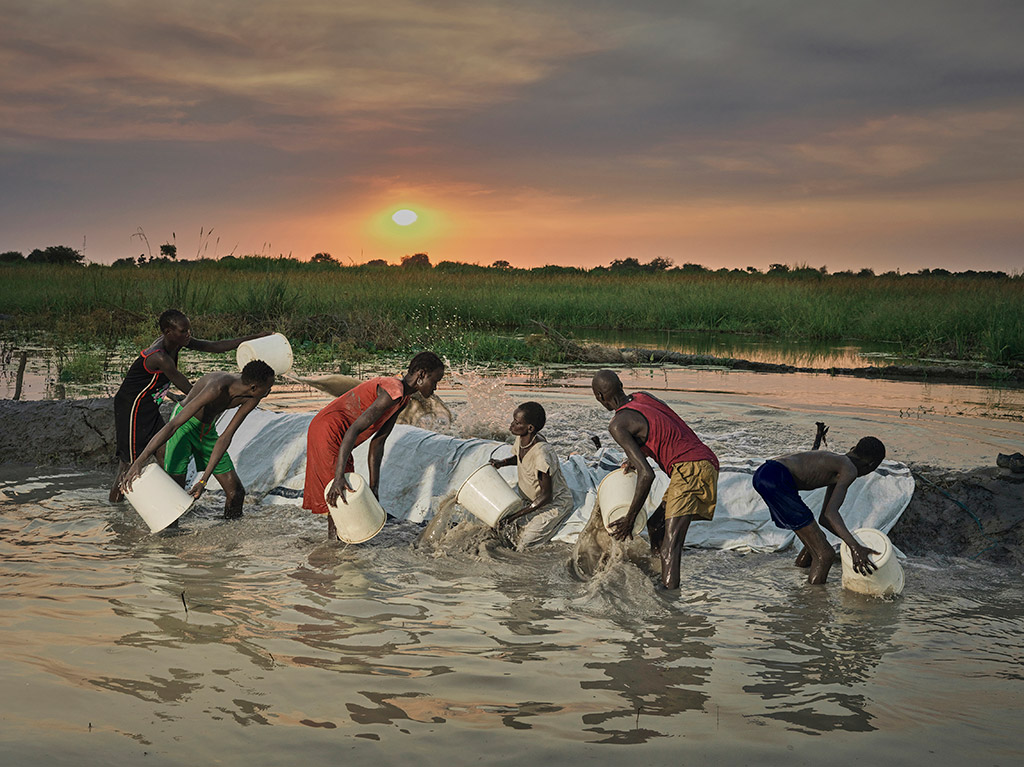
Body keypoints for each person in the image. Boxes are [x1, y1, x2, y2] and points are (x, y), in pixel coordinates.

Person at [109, 309, 270, 502]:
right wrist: (211, 400)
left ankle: (168, 503)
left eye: (189, 330)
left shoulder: (179, 342)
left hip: (151, 403)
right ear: (168, 332)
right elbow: (189, 390)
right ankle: (116, 513)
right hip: (132, 406)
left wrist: (253, 338)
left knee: (163, 453)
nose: (188, 335)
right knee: (128, 464)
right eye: (183, 331)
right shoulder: (160, 357)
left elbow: (216, 346)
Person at [591, 370, 719, 590]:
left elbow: (647, 474)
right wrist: (638, 454)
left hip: (690, 468)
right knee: (656, 524)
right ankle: (661, 575)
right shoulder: (643, 397)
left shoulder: (617, 424)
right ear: (621, 384)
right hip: (698, 461)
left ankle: (669, 602)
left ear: (600, 397)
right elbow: (662, 426)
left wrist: (629, 519)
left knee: (671, 546)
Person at [303, 352, 445, 540]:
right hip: (328, 431)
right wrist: (338, 477)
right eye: (435, 381)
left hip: (336, 433)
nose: (435, 388)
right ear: (421, 375)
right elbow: (353, 430)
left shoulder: (402, 399)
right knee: (341, 490)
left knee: (343, 491)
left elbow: (378, 442)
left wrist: (374, 488)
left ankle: (336, 543)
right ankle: (334, 547)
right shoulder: (393, 392)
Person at [121, 360, 276, 519]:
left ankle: (229, 538)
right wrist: (140, 460)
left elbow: (225, 437)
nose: (269, 391)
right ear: (254, 387)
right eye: (268, 388)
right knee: (175, 492)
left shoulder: (252, 397)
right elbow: (173, 425)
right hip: (184, 428)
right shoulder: (217, 387)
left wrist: (203, 481)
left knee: (236, 493)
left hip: (207, 431)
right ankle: (170, 539)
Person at [752, 437, 887, 584]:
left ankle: (798, 574)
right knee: (825, 554)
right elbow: (831, 514)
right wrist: (855, 547)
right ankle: (813, 600)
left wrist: (852, 542)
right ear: (872, 465)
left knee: (818, 540)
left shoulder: (838, 465)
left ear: (853, 449)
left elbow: (825, 518)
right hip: (776, 478)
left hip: (764, 473)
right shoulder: (849, 469)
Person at [489, 401, 574, 549]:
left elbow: (546, 496)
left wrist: (515, 516)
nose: (511, 425)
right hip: (530, 500)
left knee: (524, 544)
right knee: (502, 529)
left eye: (516, 423)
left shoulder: (541, 453)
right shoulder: (523, 438)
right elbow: (521, 459)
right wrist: (501, 463)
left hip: (553, 504)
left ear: (530, 428)